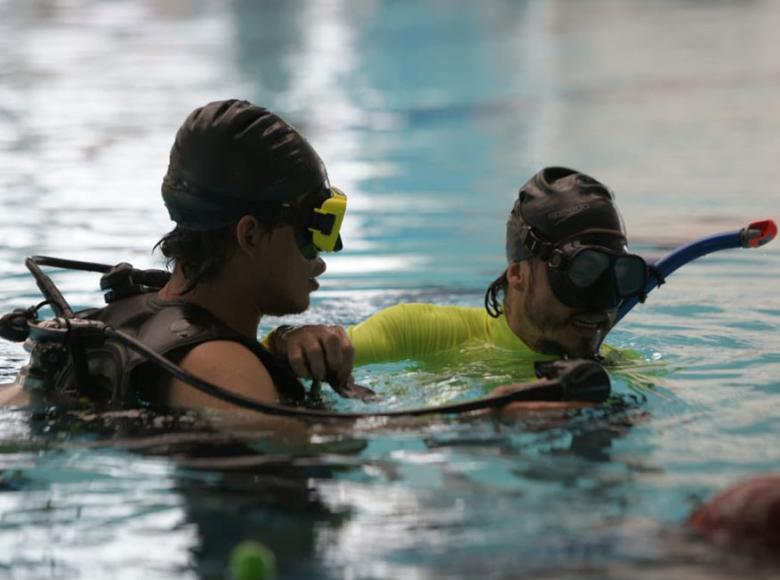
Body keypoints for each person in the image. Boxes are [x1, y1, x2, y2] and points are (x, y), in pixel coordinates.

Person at [0, 98, 352, 412]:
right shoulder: (226, 370)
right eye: (313, 229)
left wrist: (279, 344)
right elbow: (337, 450)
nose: (324, 251)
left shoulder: (112, 320)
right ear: (251, 234)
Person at [269, 167, 649, 392]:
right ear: (517, 273)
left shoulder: (627, 373)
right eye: (583, 273)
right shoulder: (422, 332)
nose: (601, 303)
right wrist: (290, 339)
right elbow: (262, 361)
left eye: (618, 276)